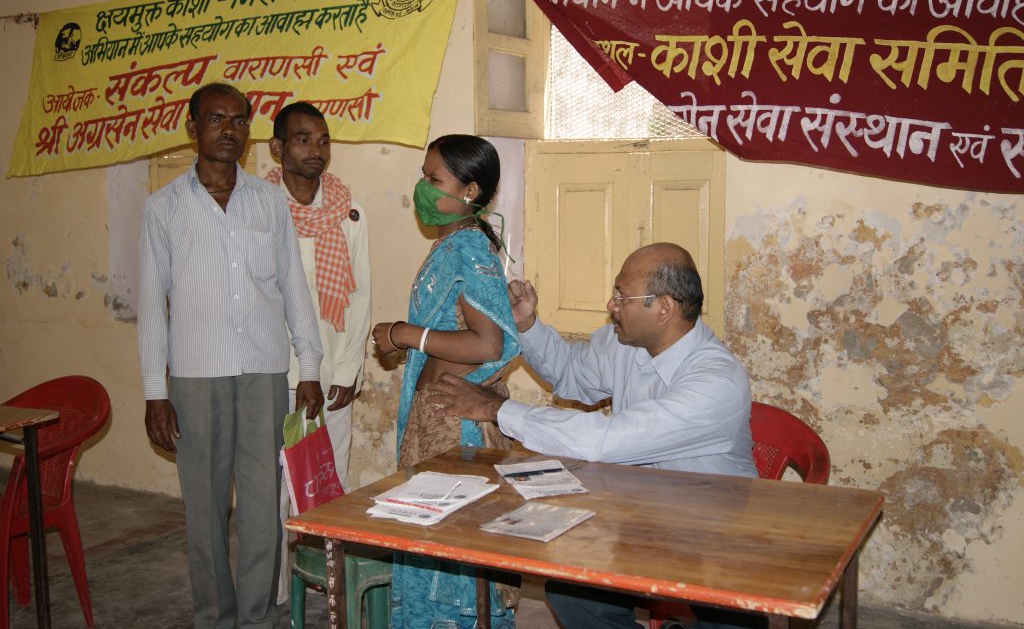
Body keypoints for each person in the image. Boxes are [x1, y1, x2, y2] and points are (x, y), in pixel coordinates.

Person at [428, 242, 760, 629]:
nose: (611, 304)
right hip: (645, 521)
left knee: (736, 620)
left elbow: (606, 440)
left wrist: (496, 409)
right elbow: (571, 371)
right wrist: (527, 326)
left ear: (664, 309)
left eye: (622, 295)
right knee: (570, 591)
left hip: (716, 537)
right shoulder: (626, 343)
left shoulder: (716, 381)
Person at [137, 83, 325, 629]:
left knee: (265, 505)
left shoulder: (269, 202)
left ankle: (259, 616)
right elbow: (153, 306)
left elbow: (294, 288)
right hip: (195, 376)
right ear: (191, 126)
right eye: (216, 118)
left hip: (264, 372)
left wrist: (307, 368)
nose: (229, 129)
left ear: (248, 132)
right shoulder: (163, 209)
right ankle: (215, 618)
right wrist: (155, 392)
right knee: (205, 506)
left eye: (239, 120)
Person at [370, 134, 521, 629]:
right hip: (438, 418)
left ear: (470, 190)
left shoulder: (470, 248)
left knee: (449, 546)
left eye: (434, 179)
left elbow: (487, 345)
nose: (423, 188)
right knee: (431, 543)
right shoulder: (453, 244)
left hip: (457, 424)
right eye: (424, 175)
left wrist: (403, 333)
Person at [265, 101, 371, 603]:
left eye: (323, 140)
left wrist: (349, 370)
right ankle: (278, 593)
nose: (316, 150)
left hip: (330, 376)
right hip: (273, 372)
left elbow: (360, 296)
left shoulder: (349, 214)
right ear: (277, 148)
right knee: (274, 485)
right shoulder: (258, 209)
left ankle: (333, 586)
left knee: (331, 481)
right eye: (303, 139)